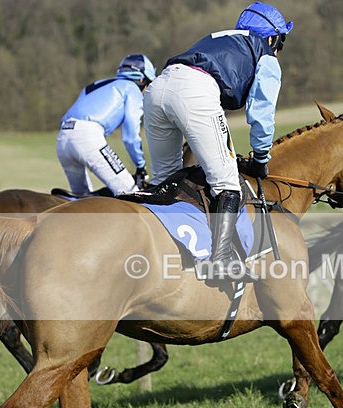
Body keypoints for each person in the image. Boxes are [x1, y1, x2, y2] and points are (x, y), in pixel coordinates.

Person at [142, 1, 293, 281]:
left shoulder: (223, 38)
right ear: (272, 38)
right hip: (194, 90)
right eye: (280, 42)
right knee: (227, 183)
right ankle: (220, 261)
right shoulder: (266, 56)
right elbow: (261, 114)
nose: (278, 50)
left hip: (157, 89)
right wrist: (261, 158)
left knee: (165, 180)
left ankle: (158, 251)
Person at [56, 54, 156, 197]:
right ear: (142, 79)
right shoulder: (132, 88)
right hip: (87, 137)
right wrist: (140, 165)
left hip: (63, 137)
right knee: (132, 194)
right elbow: (130, 136)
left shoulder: (96, 84)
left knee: (81, 201)